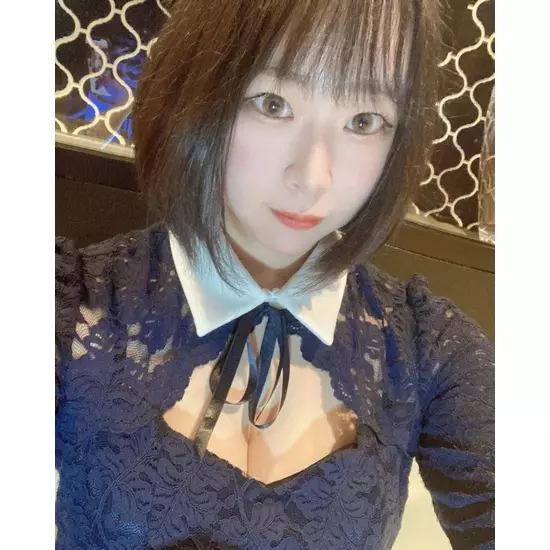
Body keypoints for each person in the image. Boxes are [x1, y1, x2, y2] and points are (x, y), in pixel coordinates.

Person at [55, 1, 495, 548]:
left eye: (363, 122)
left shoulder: (431, 348)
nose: (313, 178)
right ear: (195, 95)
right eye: (273, 104)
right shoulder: (72, 306)